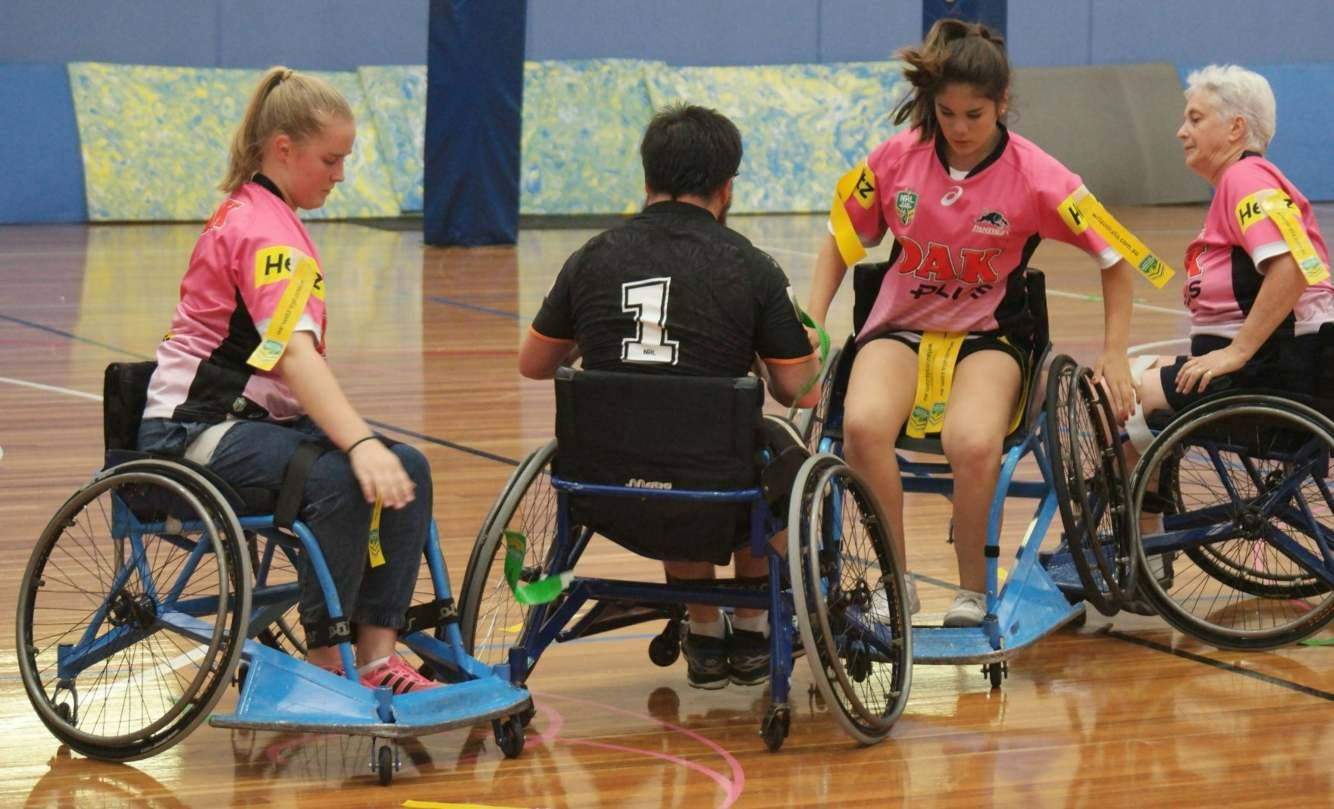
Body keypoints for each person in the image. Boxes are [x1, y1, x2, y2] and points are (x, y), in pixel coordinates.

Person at [804, 19, 1143, 627]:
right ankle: (895, 582)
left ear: (1002, 105)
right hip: (902, 327)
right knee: (861, 426)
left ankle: (971, 592)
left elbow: (1121, 258)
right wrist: (812, 317)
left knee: (973, 441)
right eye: (946, 113)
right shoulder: (895, 158)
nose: (958, 129)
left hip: (990, 337)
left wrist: (1115, 351)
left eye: (974, 115)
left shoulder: (1041, 175)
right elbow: (839, 237)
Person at [137, 66, 440, 694]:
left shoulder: (269, 213)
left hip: (255, 424)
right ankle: (328, 658)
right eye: (331, 159)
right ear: (284, 149)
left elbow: (291, 361)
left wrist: (372, 448)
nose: (341, 174)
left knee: (405, 468)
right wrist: (358, 443)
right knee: (341, 475)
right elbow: (297, 359)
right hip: (196, 429)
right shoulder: (263, 228)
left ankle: (378, 652)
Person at [518, 103, 820, 690]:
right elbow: (797, 392)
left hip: (605, 489)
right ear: (727, 187)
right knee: (763, 450)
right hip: (719, 488)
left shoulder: (591, 258)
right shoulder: (752, 267)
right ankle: (754, 625)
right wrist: (802, 347)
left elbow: (534, 364)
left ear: (647, 178)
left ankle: (705, 634)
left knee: (660, 436)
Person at [1125, 64, 1332, 442]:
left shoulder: (1246, 179)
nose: (1181, 131)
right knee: (1121, 376)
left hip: (1276, 372)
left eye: (1195, 119)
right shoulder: (1244, 181)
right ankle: (1146, 499)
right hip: (1273, 365)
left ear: (1236, 128)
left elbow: (1295, 265)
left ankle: (1145, 500)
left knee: (1114, 398)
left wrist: (1237, 352)